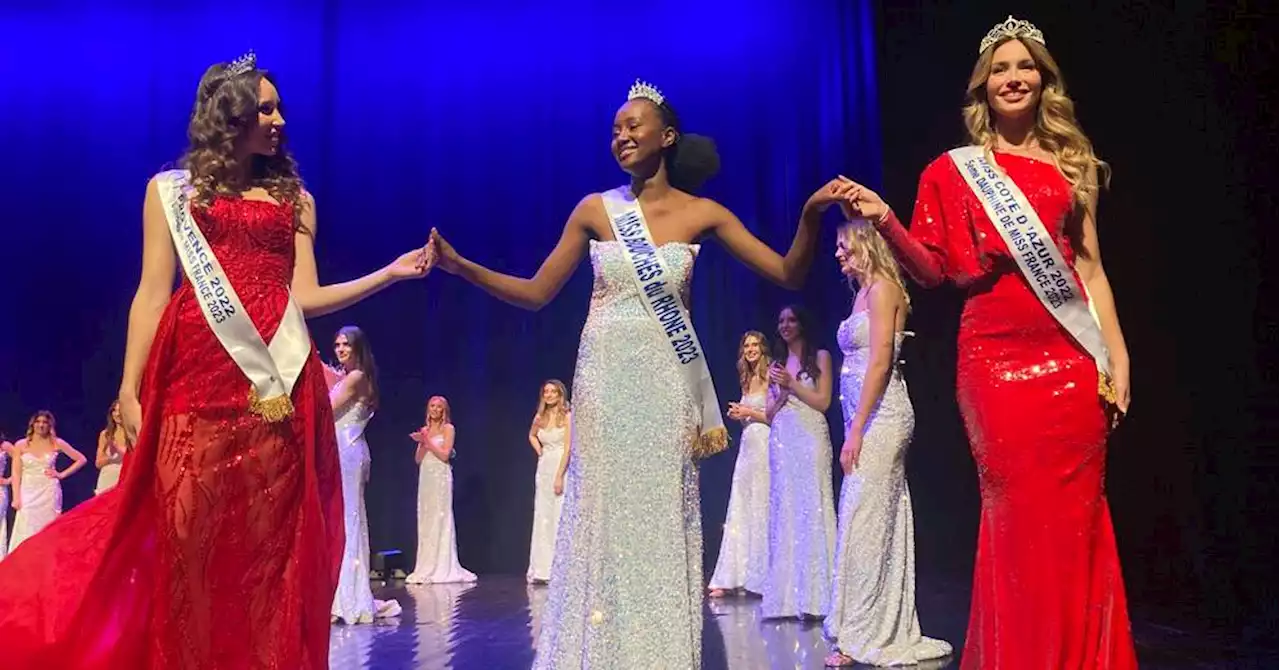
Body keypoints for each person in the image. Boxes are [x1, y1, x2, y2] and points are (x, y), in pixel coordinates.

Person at [0, 51, 432, 668]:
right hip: (194, 375)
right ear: (229, 115)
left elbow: (302, 297)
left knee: (268, 542)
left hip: (274, 385)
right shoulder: (170, 193)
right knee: (185, 532)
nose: (280, 118)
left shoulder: (296, 200)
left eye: (280, 107)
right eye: (266, 107)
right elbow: (152, 292)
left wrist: (388, 274)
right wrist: (128, 386)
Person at [429, 80, 854, 668]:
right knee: (604, 517)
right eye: (614, 129)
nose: (621, 136)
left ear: (667, 137)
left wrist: (807, 213)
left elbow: (787, 271)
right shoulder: (595, 210)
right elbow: (535, 293)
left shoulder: (702, 213)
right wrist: (460, 266)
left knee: (659, 518)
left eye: (633, 125)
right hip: (603, 381)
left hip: (666, 385)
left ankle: (660, 654)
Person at [839, 16, 1137, 668]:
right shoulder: (953, 173)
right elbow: (935, 270)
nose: (1013, 78)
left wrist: (1116, 357)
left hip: (1070, 361)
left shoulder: (1073, 164)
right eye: (999, 69)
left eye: (1023, 66)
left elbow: (1090, 272)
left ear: (1042, 78)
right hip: (994, 364)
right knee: (1018, 521)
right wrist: (886, 220)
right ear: (983, 86)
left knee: (1076, 521)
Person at [823, 219, 951, 666]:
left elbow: (879, 362)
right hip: (862, 417)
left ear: (864, 242)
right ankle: (860, 625)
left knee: (866, 519)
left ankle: (861, 633)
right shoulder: (861, 292)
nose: (837, 254)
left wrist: (856, 429)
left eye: (843, 245)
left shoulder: (882, 289)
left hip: (883, 418)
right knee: (867, 517)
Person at [759, 305, 836, 620]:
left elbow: (823, 402)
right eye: (780, 321)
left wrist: (793, 384)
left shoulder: (821, 358)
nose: (785, 325)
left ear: (802, 323)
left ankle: (819, 597)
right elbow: (768, 413)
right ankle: (787, 599)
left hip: (810, 437)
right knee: (786, 509)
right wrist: (779, 393)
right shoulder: (775, 365)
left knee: (813, 507)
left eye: (791, 319)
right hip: (782, 439)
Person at [327, 325, 402, 624]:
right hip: (347, 451)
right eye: (337, 344)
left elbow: (327, 409)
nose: (341, 349)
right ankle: (343, 594)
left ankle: (346, 598)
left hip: (347, 451)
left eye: (346, 344)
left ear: (358, 347)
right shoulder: (354, 377)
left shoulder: (356, 378)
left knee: (347, 522)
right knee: (347, 520)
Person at [707, 331, 772, 597]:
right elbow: (752, 415)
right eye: (746, 345)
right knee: (741, 506)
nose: (750, 349)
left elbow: (774, 416)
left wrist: (749, 412)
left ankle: (762, 577)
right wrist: (740, 415)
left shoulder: (771, 376)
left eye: (755, 345)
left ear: (763, 349)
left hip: (767, 445)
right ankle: (732, 575)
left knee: (762, 505)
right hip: (748, 446)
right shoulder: (746, 379)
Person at [406, 395, 477, 584]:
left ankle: (442, 565)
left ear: (444, 410)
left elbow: (445, 455)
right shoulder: (426, 430)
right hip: (426, 477)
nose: (435, 409)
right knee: (427, 518)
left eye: (438, 407)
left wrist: (427, 441)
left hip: (441, 476)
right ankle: (425, 564)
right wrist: (422, 440)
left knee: (440, 516)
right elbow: (418, 459)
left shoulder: (448, 429)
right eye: (432, 406)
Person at [8, 411, 86, 552]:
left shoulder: (56, 443)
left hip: (49, 492)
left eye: (45, 422)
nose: (41, 425)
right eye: (38, 422)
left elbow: (81, 459)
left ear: (49, 425)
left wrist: (61, 474)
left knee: (48, 527)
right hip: (28, 493)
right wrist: (16, 497)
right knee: (26, 527)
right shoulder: (21, 444)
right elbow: (16, 472)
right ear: (33, 424)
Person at [526, 379, 571, 584]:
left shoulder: (567, 417)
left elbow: (569, 448)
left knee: (558, 515)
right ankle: (543, 568)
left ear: (560, 395)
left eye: (553, 392)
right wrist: (541, 451)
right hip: (544, 468)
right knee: (543, 516)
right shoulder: (540, 417)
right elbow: (532, 436)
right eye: (546, 392)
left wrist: (560, 476)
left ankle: (561, 567)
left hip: (560, 466)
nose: (549, 395)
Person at [94, 401, 131, 495]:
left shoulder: (133, 435)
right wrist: (113, 458)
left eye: (120, 411)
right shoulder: (106, 435)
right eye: (114, 411)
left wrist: (120, 451)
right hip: (107, 479)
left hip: (126, 478)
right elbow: (98, 463)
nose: (117, 414)